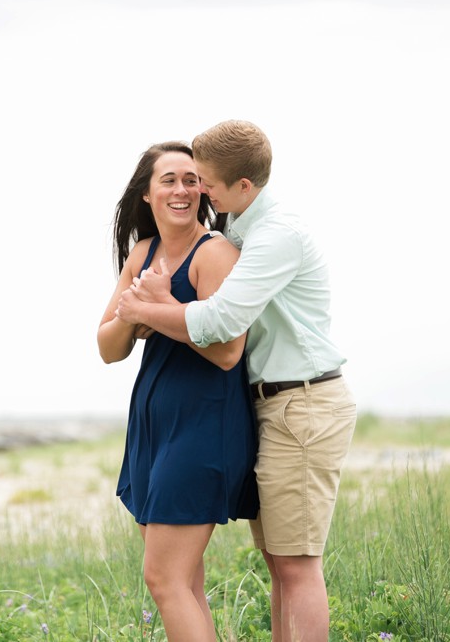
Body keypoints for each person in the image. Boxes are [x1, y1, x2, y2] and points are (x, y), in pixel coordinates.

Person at [116, 120, 357, 642]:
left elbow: (221, 328)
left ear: (242, 186)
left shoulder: (274, 236)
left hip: (304, 403)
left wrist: (149, 305)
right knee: (280, 566)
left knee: (295, 568)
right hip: (272, 405)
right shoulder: (241, 228)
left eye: (204, 180)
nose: (196, 190)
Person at [98, 141, 260, 642]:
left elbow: (229, 352)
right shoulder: (141, 254)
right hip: (152, 430)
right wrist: (135, 312)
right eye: (169, 179)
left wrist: (157, 312)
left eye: (192, 179)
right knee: (183, 579)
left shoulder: (214, 254)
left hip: (203, 429)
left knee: (163, 578)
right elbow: (107, 346)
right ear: (146, 193)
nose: (182, 189)